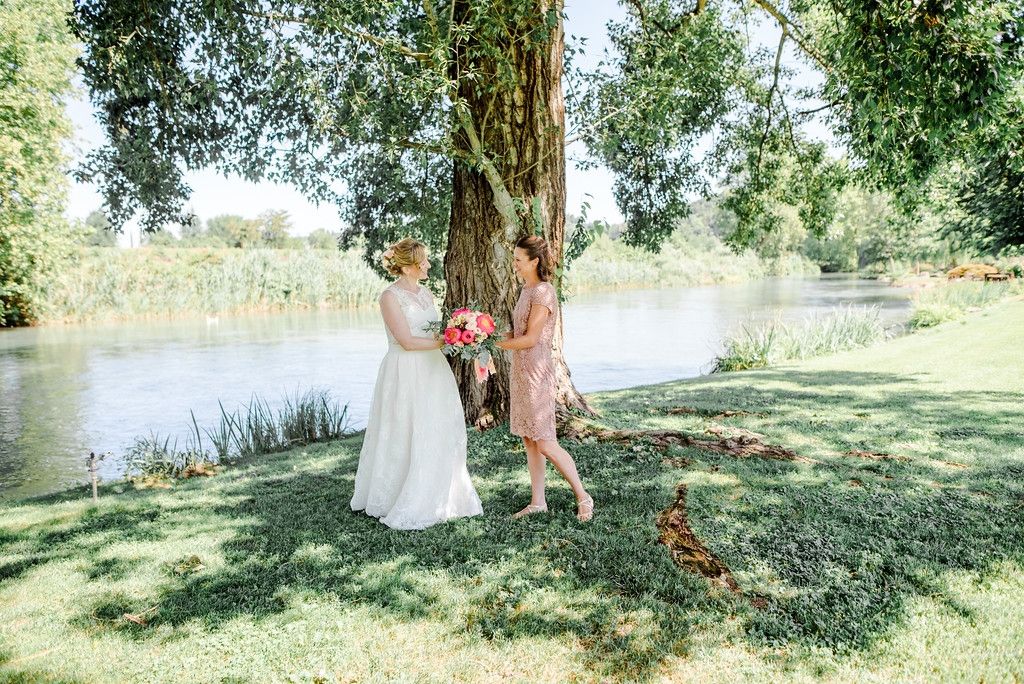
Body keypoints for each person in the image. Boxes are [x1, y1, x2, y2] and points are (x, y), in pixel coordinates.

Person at [350, 238, 483, 530]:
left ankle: (442, 492)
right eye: (423, 261)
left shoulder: (425, 293)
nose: (428, 265)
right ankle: (397, 495)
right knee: (404, 427)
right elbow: (407, 342)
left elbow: (430, 332)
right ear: (409, 266)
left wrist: (459, 335)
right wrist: (447, 340)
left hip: (433, 367)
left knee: (436, 424)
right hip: (405, 369)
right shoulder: (389, 297)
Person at [496, 235, 593, 522]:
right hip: (520, 372)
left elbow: (530, 339)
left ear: (534, 261)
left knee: (546, 442)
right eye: (514, 258)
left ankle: (583, 496)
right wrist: (482, 337)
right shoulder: (525, 290)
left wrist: (495, 345)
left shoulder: (544, 292)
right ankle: (538, 502)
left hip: (536, 373)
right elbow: (517, 334)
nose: (514, 263)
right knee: (529, 440)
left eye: (518, 259)